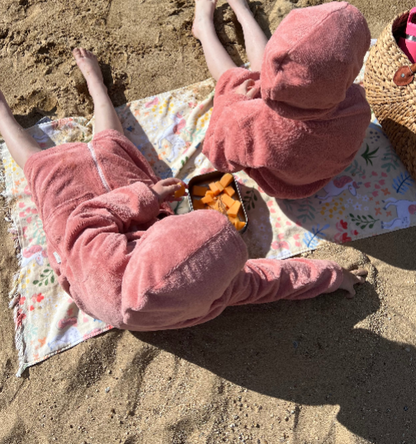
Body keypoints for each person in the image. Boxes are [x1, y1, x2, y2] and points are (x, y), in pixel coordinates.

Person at [0, 49, 367, 332]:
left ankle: (10, 116)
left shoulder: (102, 265)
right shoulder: (218, 291)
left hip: (75, 222)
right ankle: (96, 87)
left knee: (44, 163)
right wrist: (334, 276)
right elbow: (275, 281)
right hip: (131, 232)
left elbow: (86, 218)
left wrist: (147, 199)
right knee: (116, 148)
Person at [194, 0, 371, 199]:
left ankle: (204, 29)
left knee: (236, 79)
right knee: (267, 72)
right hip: (313, 178)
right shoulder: (357, 108)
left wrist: (233, 103)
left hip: (279, 182)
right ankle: (242, 11)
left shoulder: (250, 123)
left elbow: (217, 154)